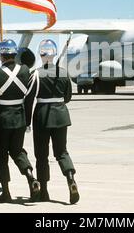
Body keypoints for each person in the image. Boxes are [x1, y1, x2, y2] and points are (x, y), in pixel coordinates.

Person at [0, 39, 41, 203]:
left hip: (2, 117)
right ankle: (30, 176)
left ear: (1, 56)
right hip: (20, 117)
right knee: (17, 150)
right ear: (15, 54)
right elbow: (29, 97)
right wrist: (26, 119)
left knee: (1, 154)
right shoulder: (25, 70)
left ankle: (6, 192)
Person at [29, 39, 80, 204]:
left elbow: (29, 98)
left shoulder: (36, 73)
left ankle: (44, 191)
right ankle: (70, 178)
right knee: (62, 152)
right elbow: (67, 97)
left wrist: (27, 122)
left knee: (42, 156)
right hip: (60, 115)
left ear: (41, 54)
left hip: (42, 116)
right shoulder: (64, 72)